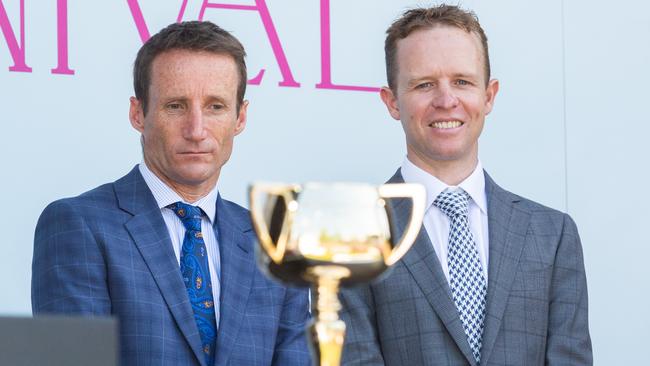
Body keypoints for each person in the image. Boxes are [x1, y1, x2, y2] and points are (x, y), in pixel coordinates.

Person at [32, 21, 311, 366]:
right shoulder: (78, 225)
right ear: (138, 113)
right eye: (176, 106)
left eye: (215, 107)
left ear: (240, 117)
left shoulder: (274, 241)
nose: (196, 130)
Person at [340, 5, 592, 365]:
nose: (446, 101)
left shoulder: (552, 235)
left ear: (489, 95)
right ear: (392, 101)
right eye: (424, 84)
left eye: (462, 81)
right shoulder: (349, 232)